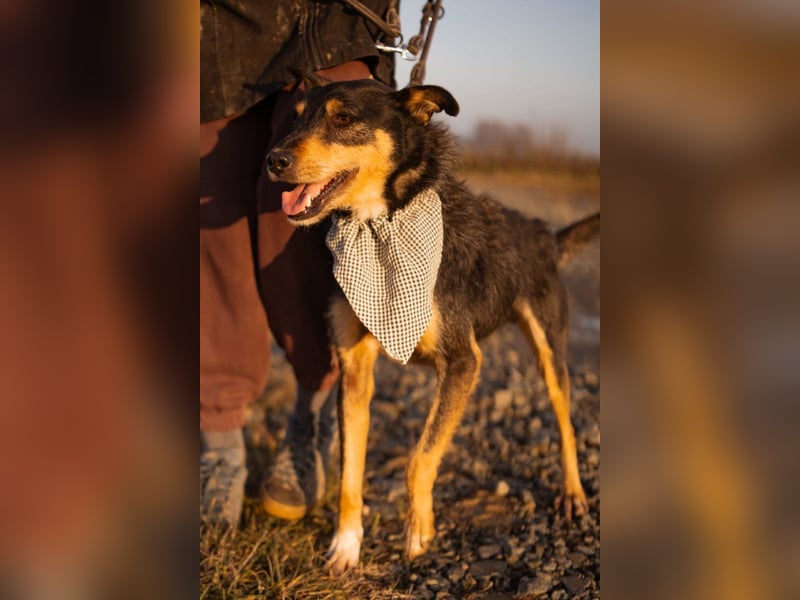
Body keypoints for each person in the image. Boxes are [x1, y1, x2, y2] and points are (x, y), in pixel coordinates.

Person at [200, 0, 398, 526]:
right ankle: (217, 437)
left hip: (339, 17)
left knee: (310, 239)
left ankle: (315, 411)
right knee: (213, 241)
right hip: (212, 27)